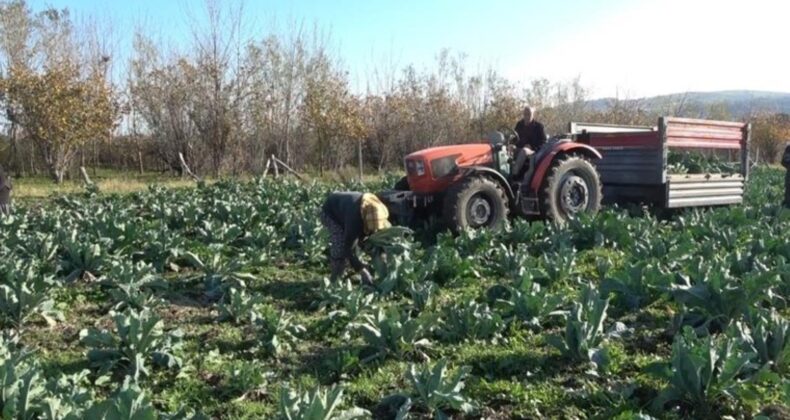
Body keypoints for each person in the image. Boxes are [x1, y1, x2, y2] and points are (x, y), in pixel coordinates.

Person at [320, 191, 392, 283]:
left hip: (346, 208)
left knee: (367, 242)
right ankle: (336, 276)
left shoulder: (376, 209)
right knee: (340, 244)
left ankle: (356, 266)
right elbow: (348, 248)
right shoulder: (355, 220)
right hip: (330, 212)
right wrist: (361, 270)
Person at [512, 106, 547, 179]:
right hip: (519, 148)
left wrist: (532, 147)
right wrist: (512, 145)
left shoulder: (539, 127)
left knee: (524, 151)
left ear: (533, 114)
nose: (526, 116)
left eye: (529, 114)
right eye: (525, 114)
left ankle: (513, 175)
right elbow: (514, 138)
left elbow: (543, 142)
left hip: (533, 151)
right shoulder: (519, 124)